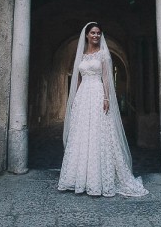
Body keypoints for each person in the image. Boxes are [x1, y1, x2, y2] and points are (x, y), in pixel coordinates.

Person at [57, 22, 149, 197]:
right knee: (81, 134)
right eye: (92, 33)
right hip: (83, 96)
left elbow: (106, 78)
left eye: (98, 33)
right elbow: (77, 78)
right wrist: (75, 98)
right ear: (86, 35)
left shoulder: (103, 54)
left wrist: (106, 97)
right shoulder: (82, 56)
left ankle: (98, 178)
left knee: (100, 132)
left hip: (98, 93)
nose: (96, 36)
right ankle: (78, 178)